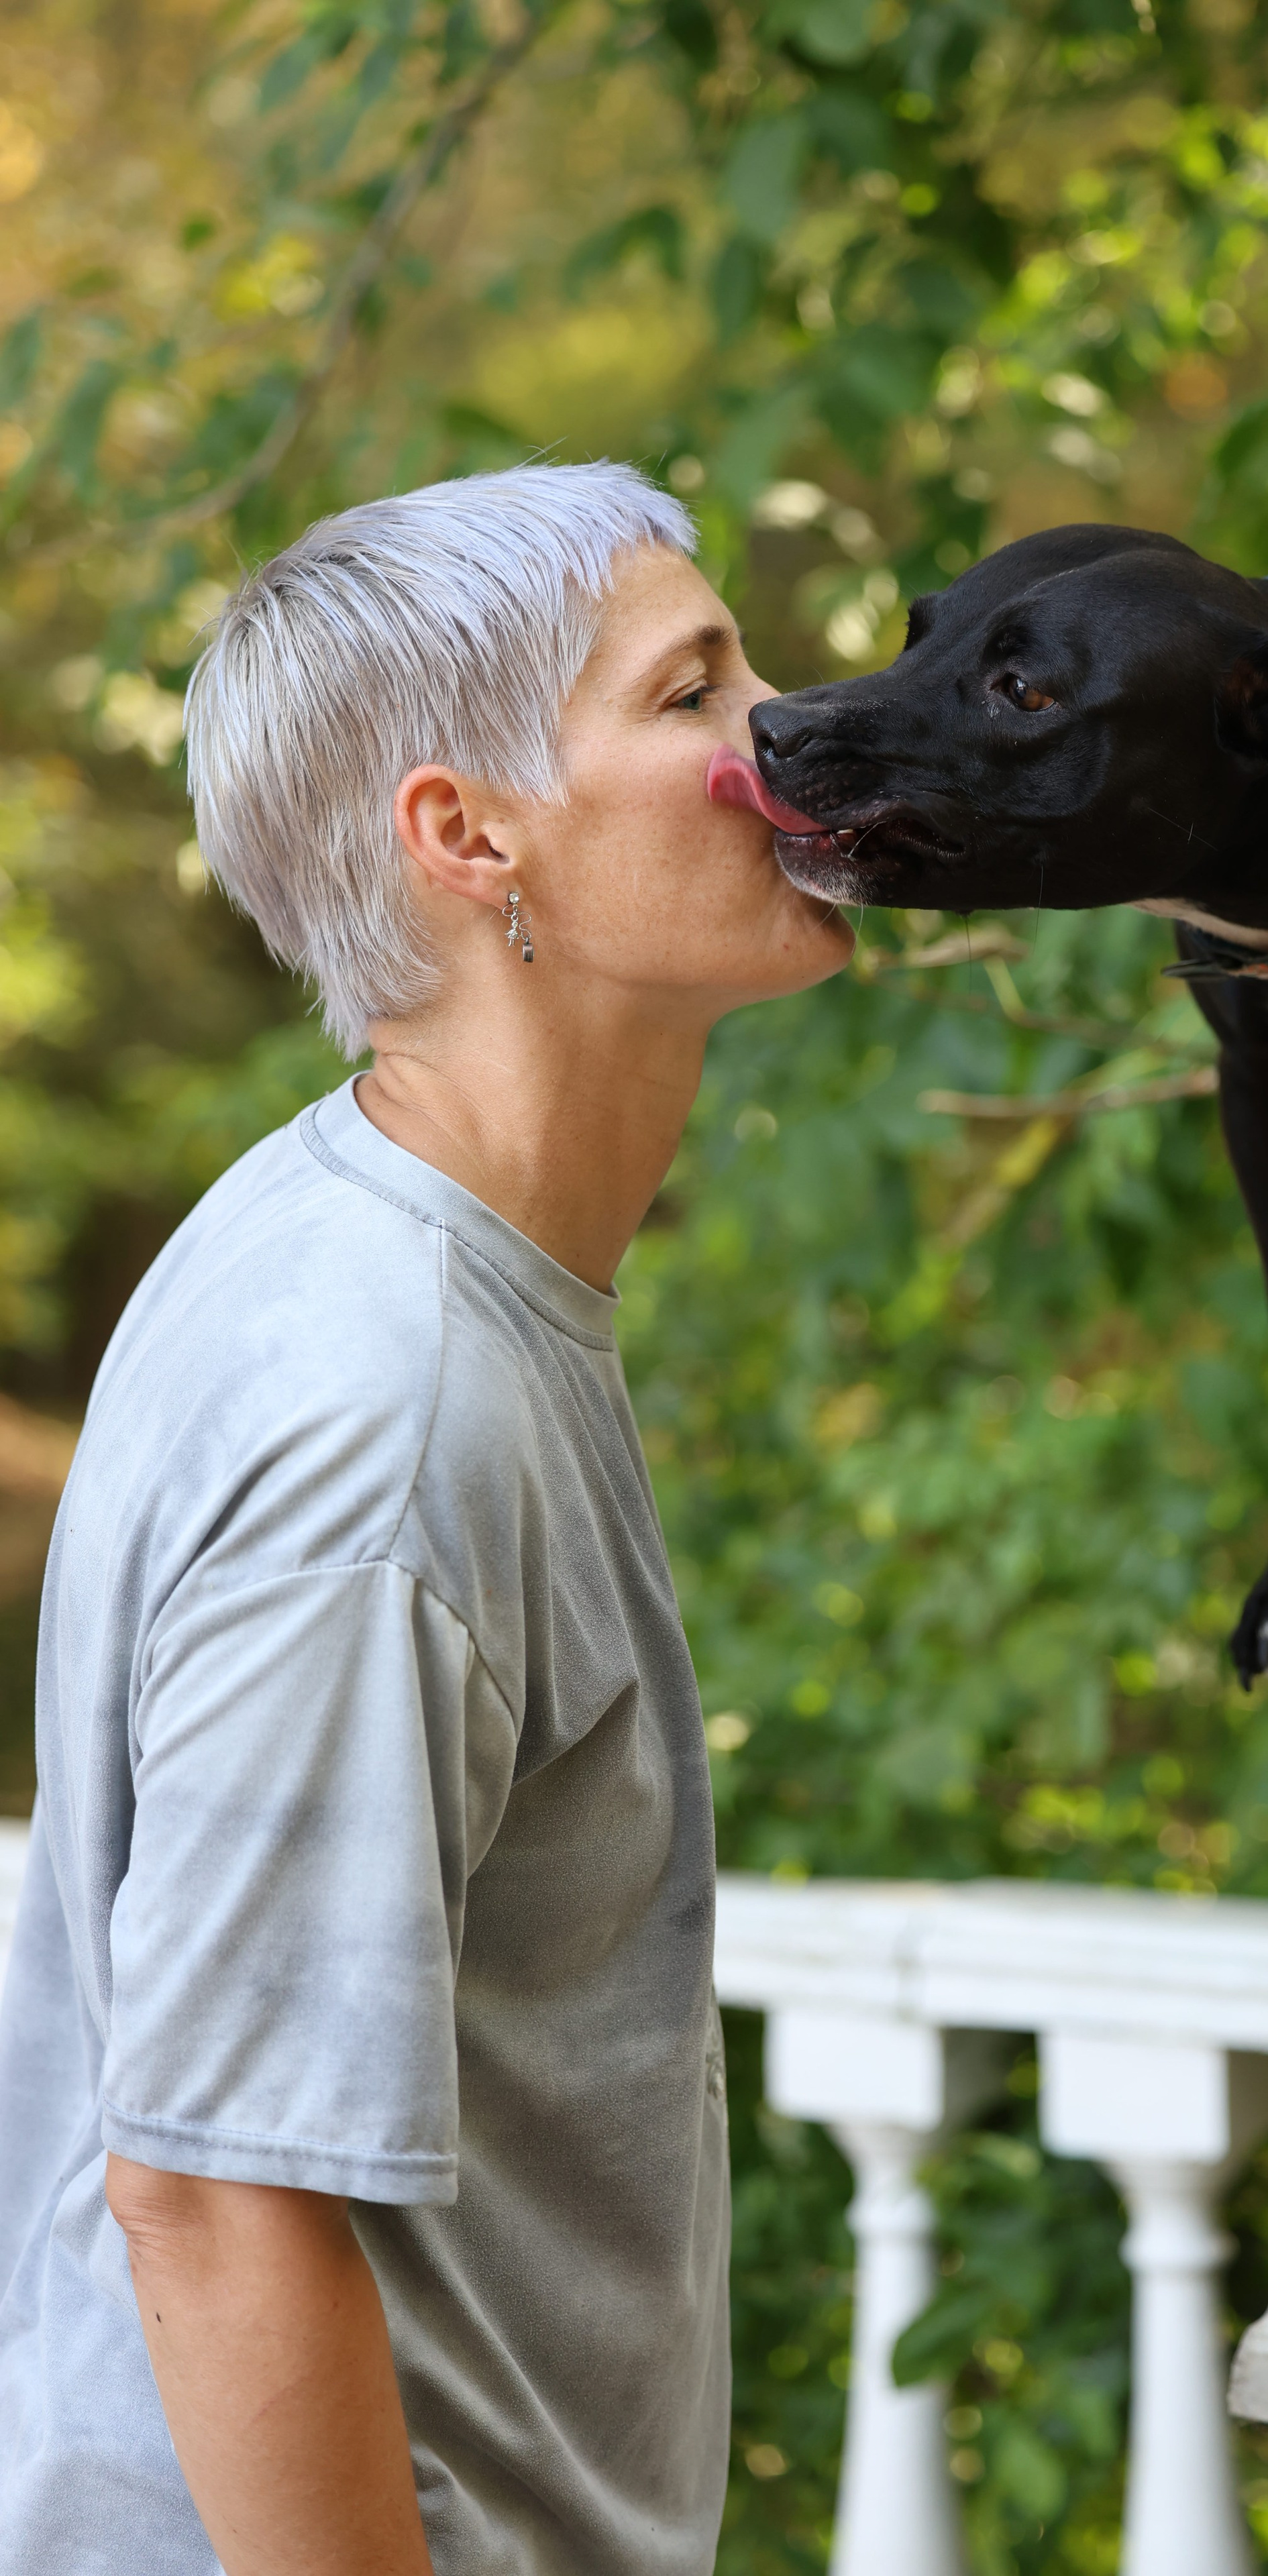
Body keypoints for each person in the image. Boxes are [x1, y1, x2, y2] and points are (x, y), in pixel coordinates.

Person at [0, 462, 853, 2575]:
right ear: (470, 839)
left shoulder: (367, 1237)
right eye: (694, 694)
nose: (793, 733)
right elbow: (211, 2198)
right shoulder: (386, 1409)